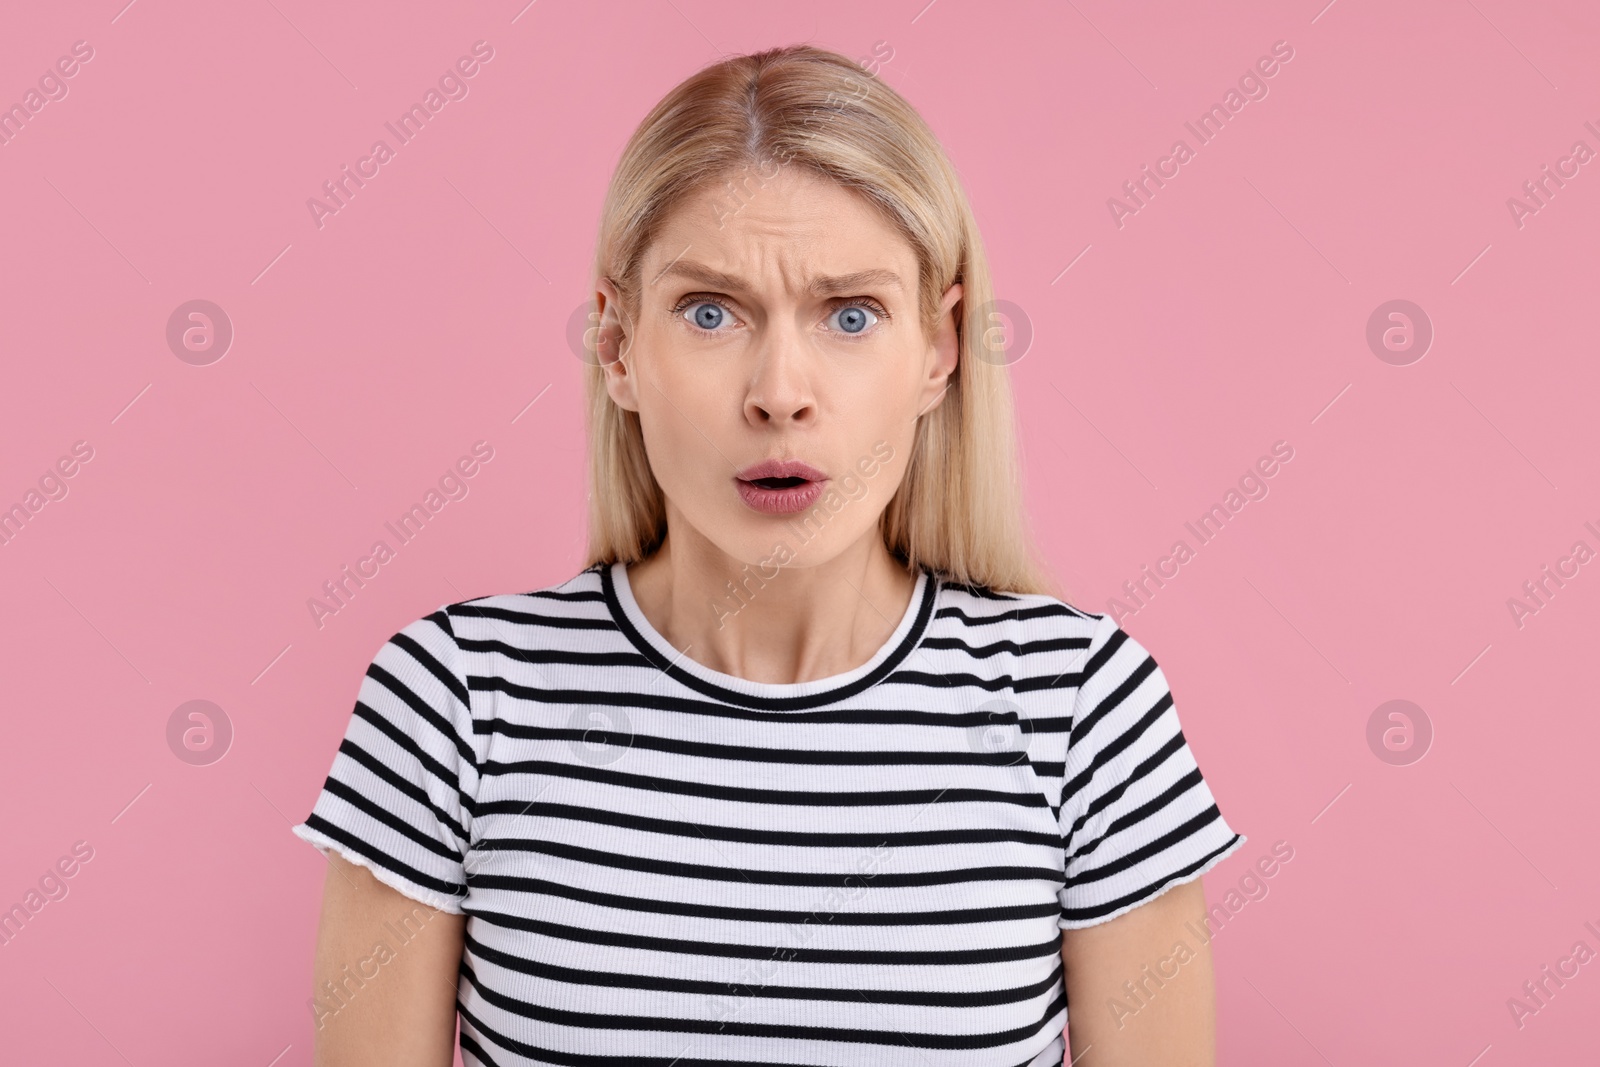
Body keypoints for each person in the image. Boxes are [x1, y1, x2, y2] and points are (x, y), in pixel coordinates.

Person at [293, 43, 1244, 1067]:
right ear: (616, 347)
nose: (779, 391)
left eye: (850, 313)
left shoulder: (1079, 707)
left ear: (939, 347)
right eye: (710, 311)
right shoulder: (456, 699)